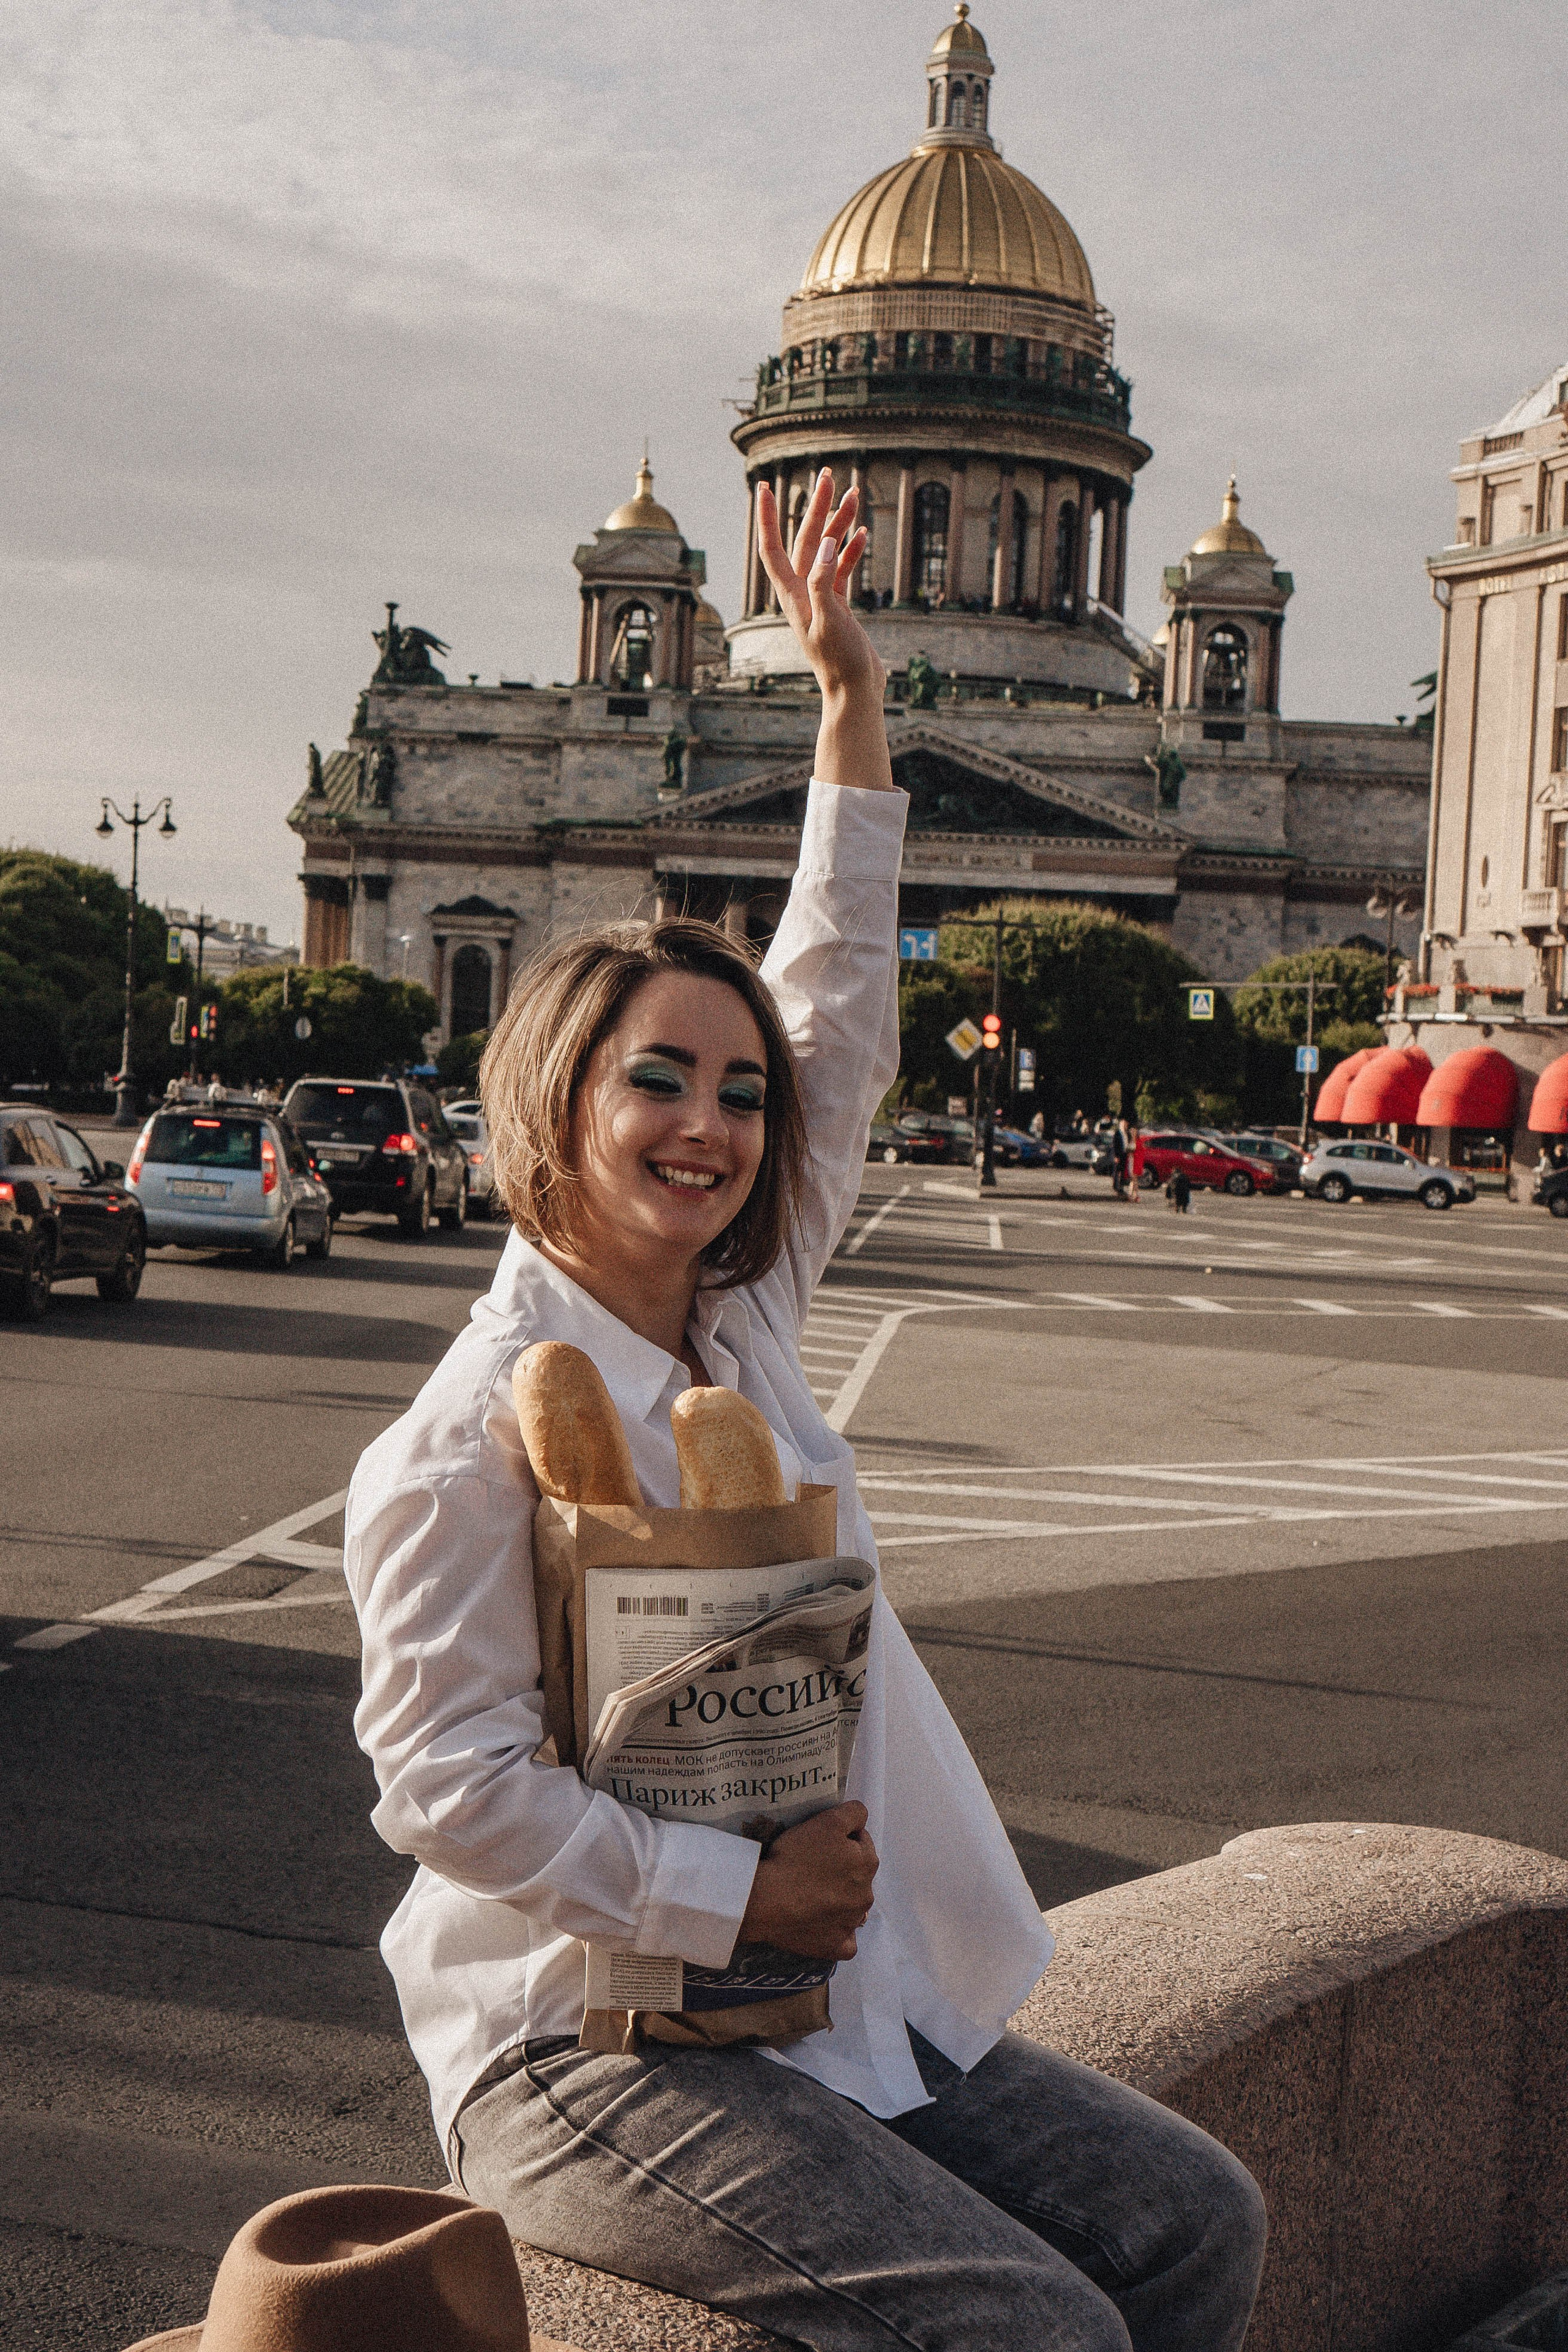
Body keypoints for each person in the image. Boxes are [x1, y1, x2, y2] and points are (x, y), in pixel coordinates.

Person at [345, 469, 1265, 2351]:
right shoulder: (462, 1440)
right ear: (555, 1105)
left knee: (1193, 2222)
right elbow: (442, 1787)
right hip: (582, 2040)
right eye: (657, 1083)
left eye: (739, 1097)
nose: (713, 1125)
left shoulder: (740, 1319)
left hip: (814, 1994)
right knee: (1038, 2330)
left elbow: (833, 1008)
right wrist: (728, 1893)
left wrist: (849, 702)